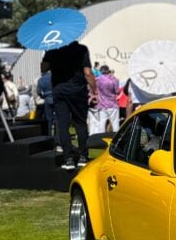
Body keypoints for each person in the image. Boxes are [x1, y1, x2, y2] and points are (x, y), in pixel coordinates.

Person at [41, 40, 97, 169]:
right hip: (78, 90)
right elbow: (87, 73)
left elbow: (43, 68)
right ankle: (83, 156)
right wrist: (94, 90)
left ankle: (68, 159)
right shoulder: (82, 49)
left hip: (59, 91)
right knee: (80, 124)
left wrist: (47, 55)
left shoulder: (53, 50)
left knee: (63, 124)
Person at [93, 64, 121, 133]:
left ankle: (100, 139)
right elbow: (117, 92)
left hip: (102, 104)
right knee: (115, 124)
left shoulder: (97, 79)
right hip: (113, 104)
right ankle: (116, 139)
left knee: (102, 124)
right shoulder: (114, 79)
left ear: (101, 71)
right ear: (108, 71)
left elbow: (94, 89)